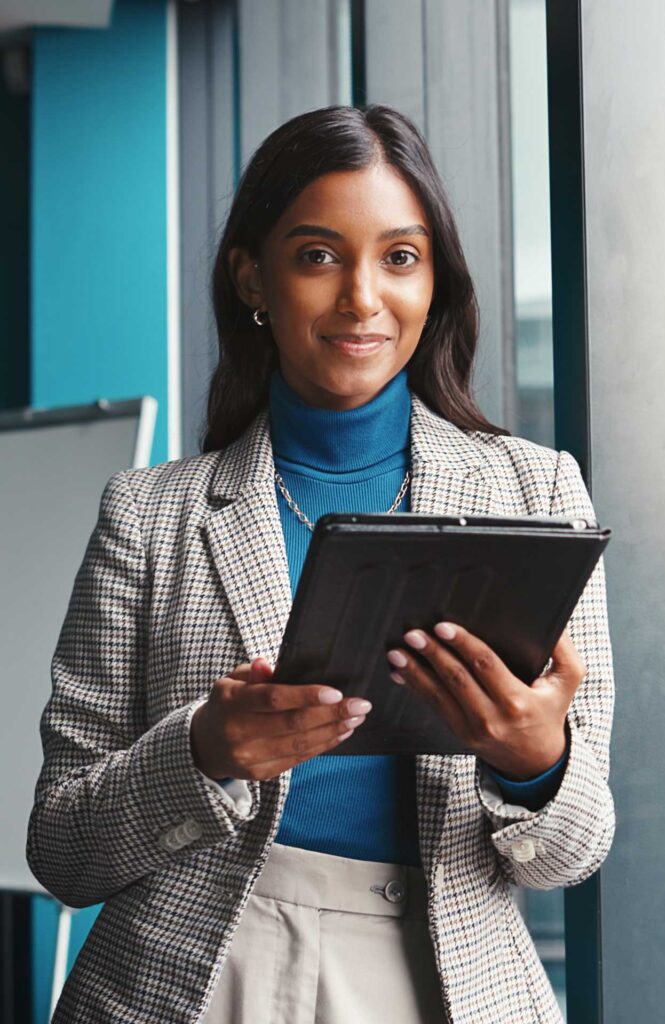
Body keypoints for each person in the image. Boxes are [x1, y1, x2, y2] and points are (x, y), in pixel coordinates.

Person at [27, 105, 615, 1024]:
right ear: (251, 276)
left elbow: (572, 853)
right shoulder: (149, 515)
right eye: (316, 256)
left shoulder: (536, 494)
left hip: (439, 981)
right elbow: (62, 849)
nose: (360, 301)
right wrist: (203, 751)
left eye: (399, 257)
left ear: (434, 282)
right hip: (187, 981)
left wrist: (535, 761)